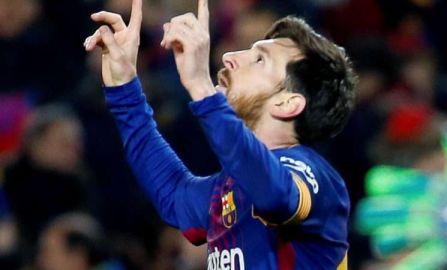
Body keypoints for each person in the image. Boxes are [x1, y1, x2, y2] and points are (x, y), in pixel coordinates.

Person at [84, 0, 357, 269]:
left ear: (287, 103)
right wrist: (125, 89)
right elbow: (174, 196)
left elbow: (276, 195)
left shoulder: (313, 175)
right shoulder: (229, 187)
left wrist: (202, 87)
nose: (229, 56)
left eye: (259, 59)